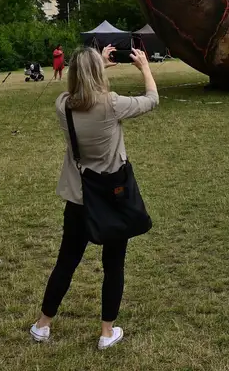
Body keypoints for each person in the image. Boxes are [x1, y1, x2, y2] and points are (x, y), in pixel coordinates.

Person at [30, 44, 159, 350]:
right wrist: (145, 68)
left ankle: (42, 324)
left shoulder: (63, 106)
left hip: (78, 195)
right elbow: (152, 99)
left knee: (66, 261)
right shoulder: (111, 104)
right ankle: (106, 332)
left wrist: (92, 65)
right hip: (112, 196)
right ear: (97, 75)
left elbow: (76, 87)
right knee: (113, 264)